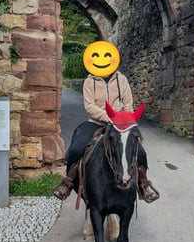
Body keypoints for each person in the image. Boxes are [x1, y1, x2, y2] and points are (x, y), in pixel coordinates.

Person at [53, 40, 159, 203]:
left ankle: (143, 184)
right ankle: (69, 182)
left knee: (140, 152)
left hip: (120, 126)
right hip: (96, 123)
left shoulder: (121, 80)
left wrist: (125, 121)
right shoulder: (89, 81)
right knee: (76, 148)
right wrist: (109, 118)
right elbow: (89, 106)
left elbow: (128, 104)